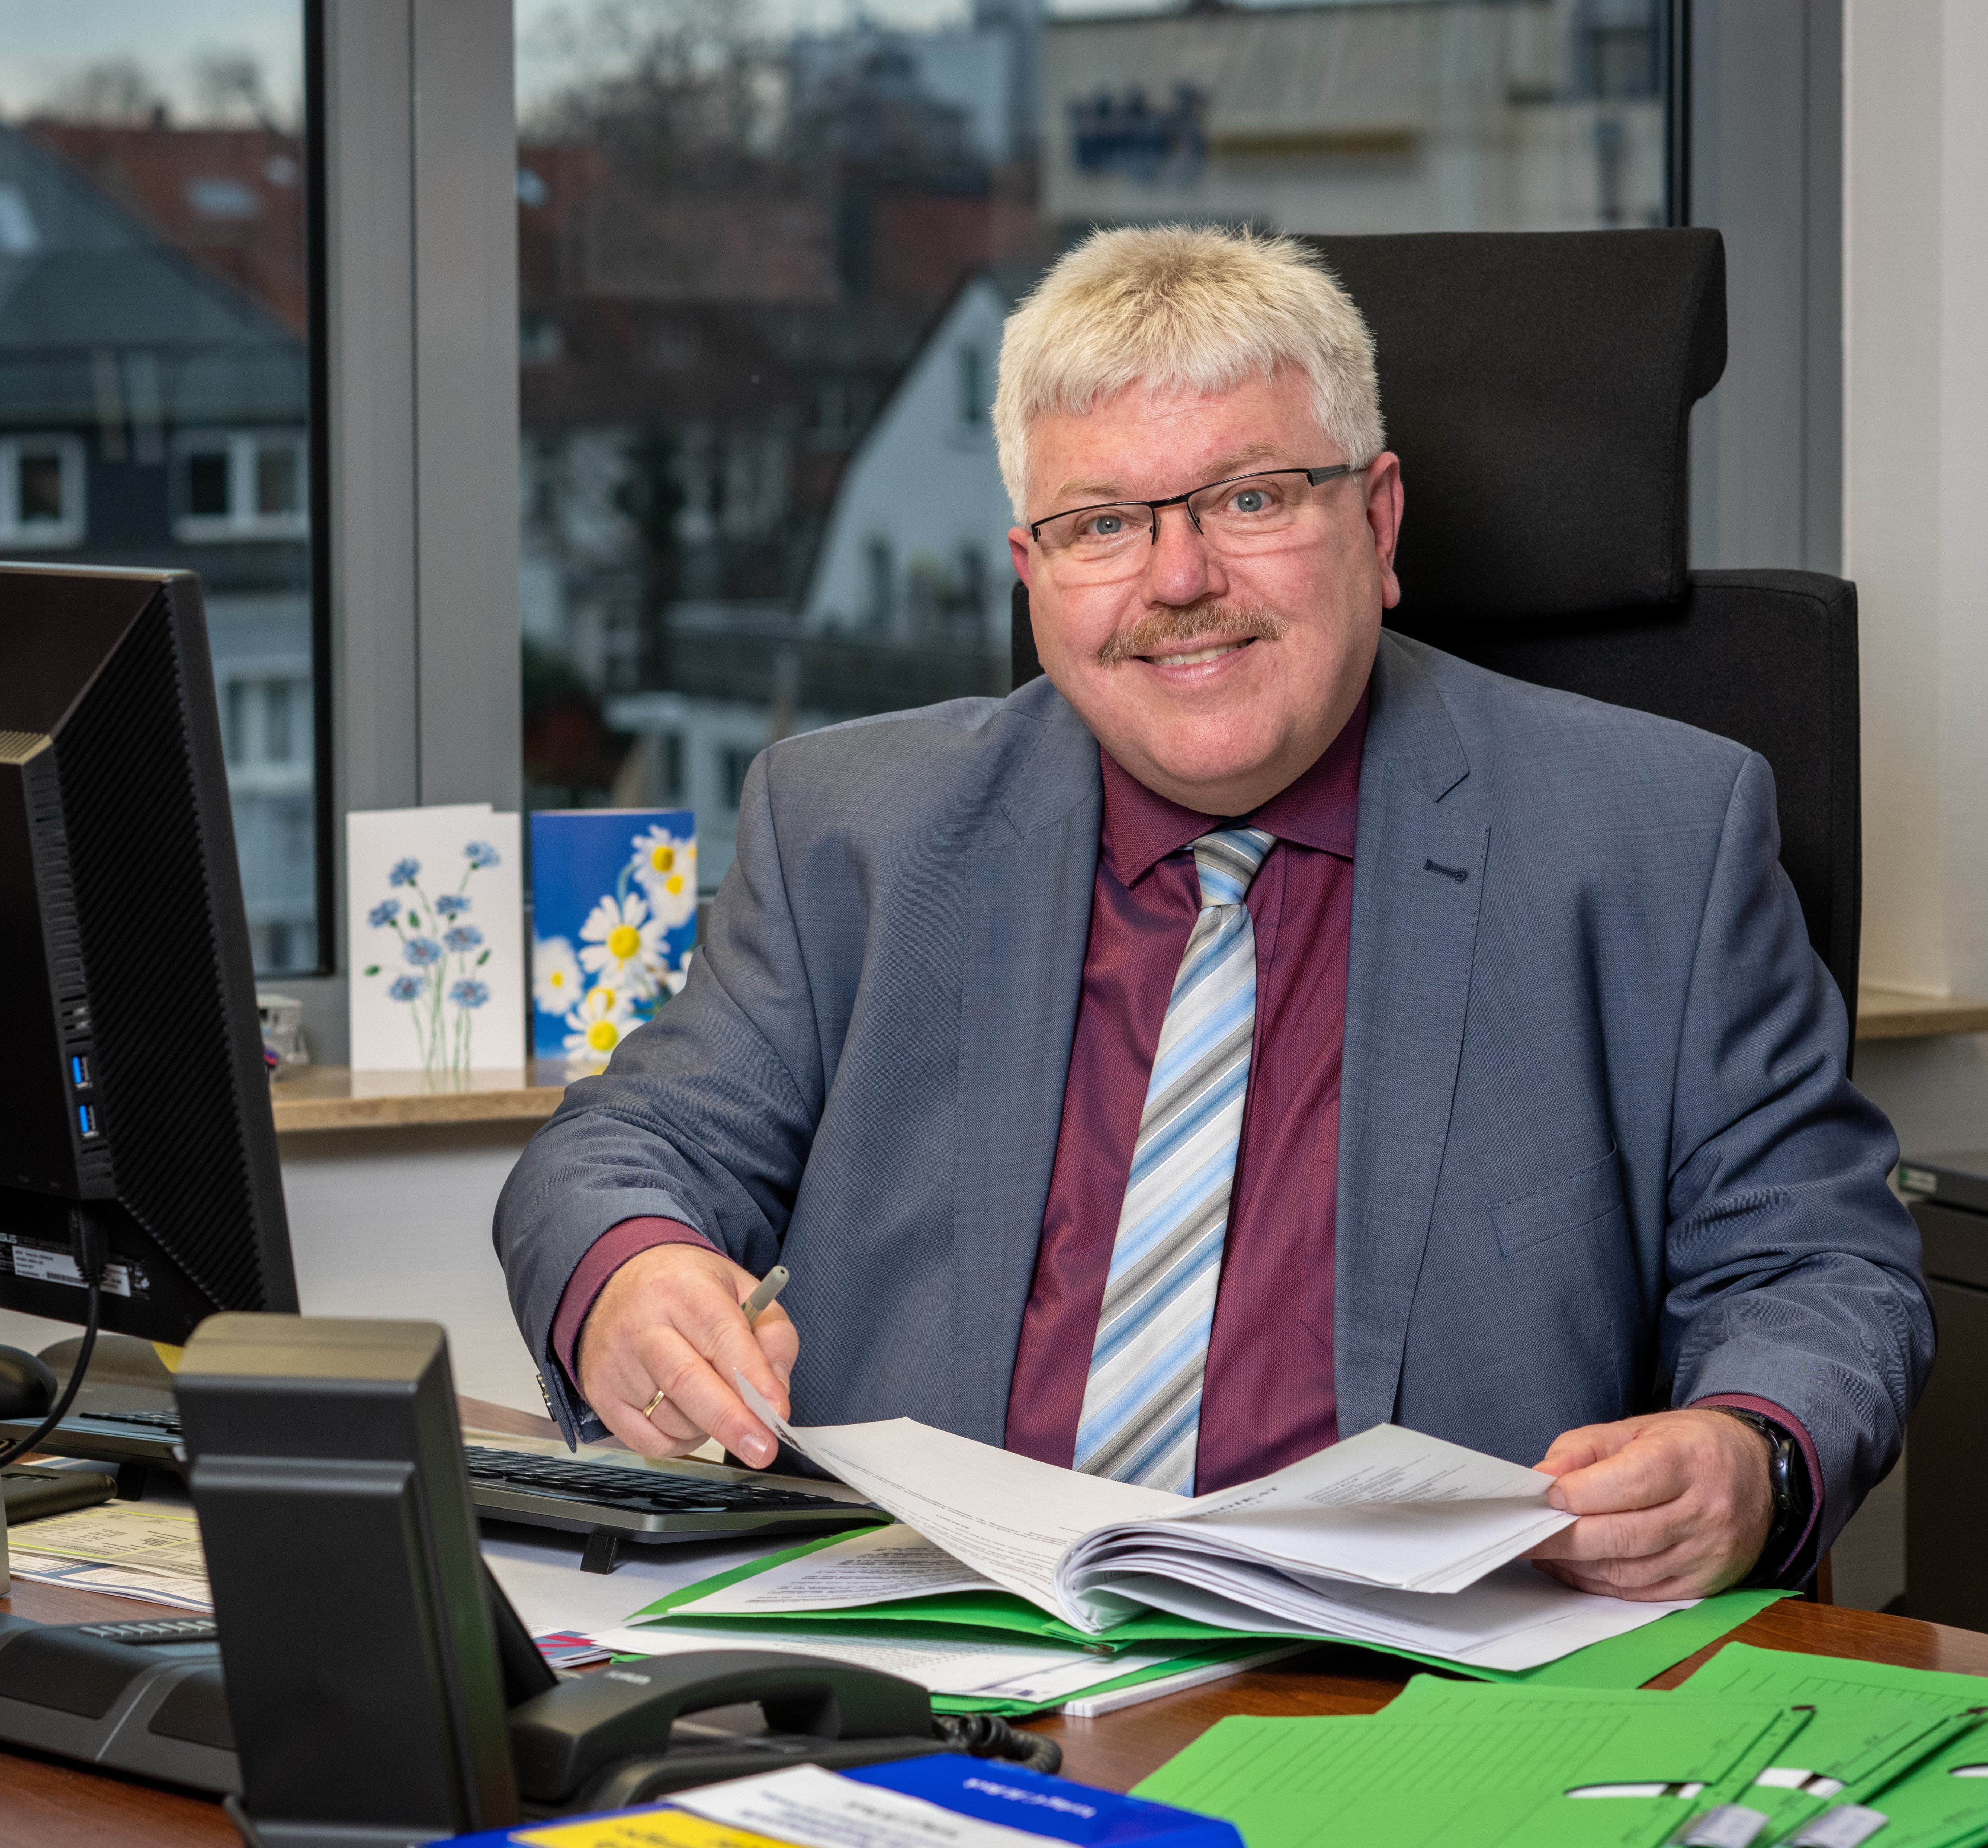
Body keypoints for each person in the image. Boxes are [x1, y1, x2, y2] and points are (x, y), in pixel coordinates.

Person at [496, 226, 1931, 1600]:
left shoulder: (1653, 837)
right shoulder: (855, 824)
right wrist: (635, 1272)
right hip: (955, 1658)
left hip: (1418, 1686)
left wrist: (1747, 1447)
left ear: (1374, 522)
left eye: (1248, 499)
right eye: (1103, 524)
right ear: (1035, 576)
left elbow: (1817, 1266)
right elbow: (622, 1150)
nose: (1177, 581)